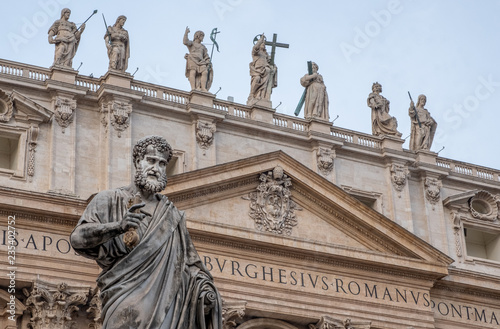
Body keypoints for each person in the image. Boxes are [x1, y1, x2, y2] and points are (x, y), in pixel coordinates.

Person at [70, 136, 222, 329]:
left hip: (166, 305)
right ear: (137, 162)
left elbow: (191, 264)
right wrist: (117, 226)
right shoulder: (109, 199)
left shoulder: (172, 215)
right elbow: (77, 238)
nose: (155, 168)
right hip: (123, 298)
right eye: (150, 160)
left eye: (162, 163)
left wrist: (204, 290)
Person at [247, 34, 277, 105]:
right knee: (257, 79)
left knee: (265, 85)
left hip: (266, 71)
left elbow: (271, 62)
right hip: (257, 70)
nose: (263, 45)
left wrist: (273, 66)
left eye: (264, 44)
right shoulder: (256, 53)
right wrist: (260, 40)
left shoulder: (266, 55)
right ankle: (252, 94)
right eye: (262, 44)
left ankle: (262, 97)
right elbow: (255, 48)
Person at [184, 27, 212, 92]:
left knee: (205, 72)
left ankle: (203, 88)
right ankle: (193, 88)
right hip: (192, 59)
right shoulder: (192, 43)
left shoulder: (203, 47)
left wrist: (208, 61)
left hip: (201, 61)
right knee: (193, 72)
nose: (202, 38)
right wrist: (186, 33)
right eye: (202, 36)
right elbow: (185, 42)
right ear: (197, 36)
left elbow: (206, 55)